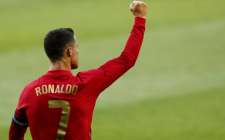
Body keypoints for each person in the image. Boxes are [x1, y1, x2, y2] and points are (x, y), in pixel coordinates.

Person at [9, 1, 147, 140]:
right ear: (69, 51)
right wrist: (140, 18)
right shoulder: (86, 84)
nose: (78, 51)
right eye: (77, 47)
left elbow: (14, 136)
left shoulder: (29, 92)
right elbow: (126, 60)